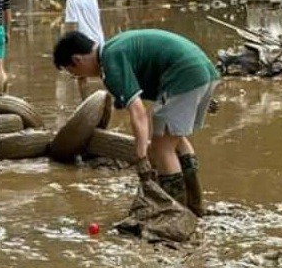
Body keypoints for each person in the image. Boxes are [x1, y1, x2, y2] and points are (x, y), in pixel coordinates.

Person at [52, 29, 219, 216]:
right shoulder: (114, 48)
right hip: (203, 70)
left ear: (77, 60)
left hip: (186, 75)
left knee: (161, 147)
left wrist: (140, 156)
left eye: (72, 72)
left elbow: (138, 112)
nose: (78, 77)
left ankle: (175, 215)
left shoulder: (110, 62)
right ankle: (195, 207)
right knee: (174, 138)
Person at [63, 0, 105, 100]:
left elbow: (71, 25)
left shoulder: (72, 0)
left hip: (83, 43)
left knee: (81, 77)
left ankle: (86, 105)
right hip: (99, 41)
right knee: (103, 73)